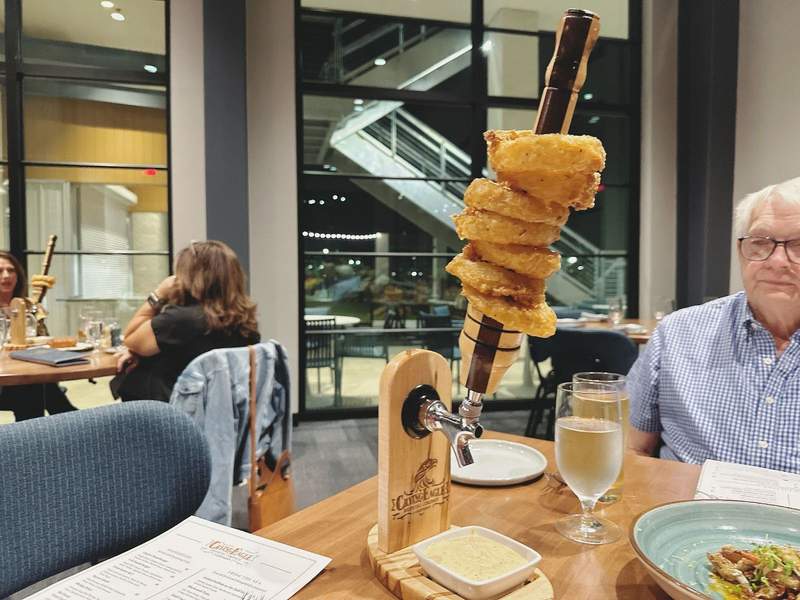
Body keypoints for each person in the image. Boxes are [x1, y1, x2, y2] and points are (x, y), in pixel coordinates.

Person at [628, 177, 800, 473]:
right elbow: (631, 447)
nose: (776, 261)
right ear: (740, 250)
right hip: (682, 503)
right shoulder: (678, 334)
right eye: (760, 243)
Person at [116, 240, 260, 402]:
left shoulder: (181, 319)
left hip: (166, 411)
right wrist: (140, 352)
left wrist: (158, 294)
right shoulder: (244, 321)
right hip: (217, 408)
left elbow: (130, 338)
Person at [0, 251, 78, 420]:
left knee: (34, 385)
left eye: (11, 270)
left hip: (23, 375)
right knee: (34, 387)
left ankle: (68, 420)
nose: (6, 275)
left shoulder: (29, 306)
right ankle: (72, 420)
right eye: (0, 271)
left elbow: (43, 344)